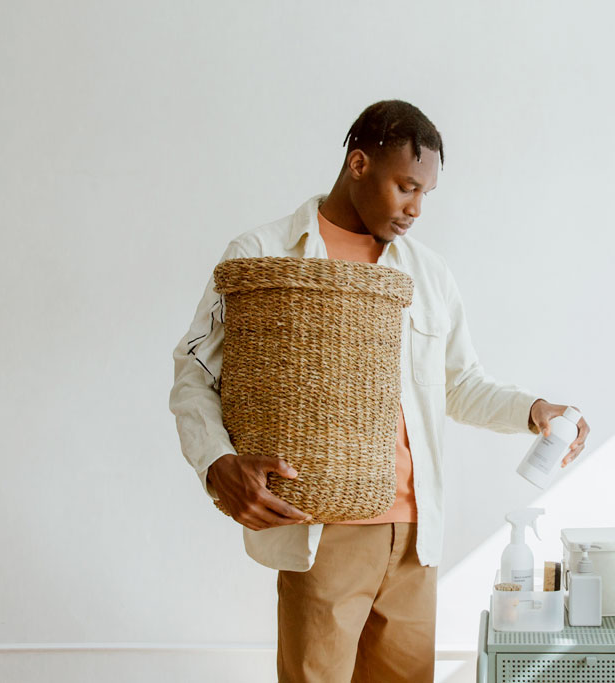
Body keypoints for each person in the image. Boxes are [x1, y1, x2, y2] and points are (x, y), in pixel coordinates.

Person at [168, 100, 591, 682]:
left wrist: (535, 410)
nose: (416, 208)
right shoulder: (260, 255)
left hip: (417, 536)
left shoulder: (428, 274)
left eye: (426, 194)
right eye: (405, 187)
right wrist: (216, 462)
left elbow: (458, 383)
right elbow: (195, 371)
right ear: (359, 164)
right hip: (323, 528)